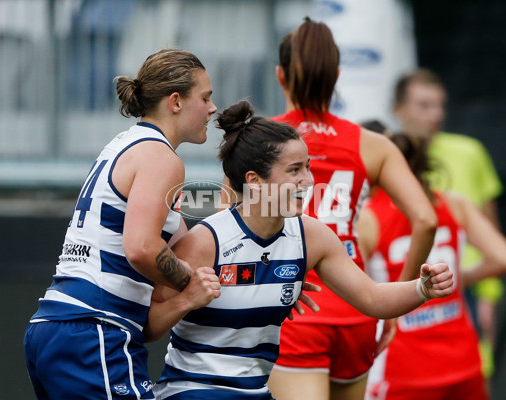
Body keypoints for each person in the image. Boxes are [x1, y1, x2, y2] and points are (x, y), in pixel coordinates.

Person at [146, 100, 454, 400]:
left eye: (308, 168)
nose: (308, 180)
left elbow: (371, 298)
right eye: (294, 170)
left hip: (255, 391)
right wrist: (188, 298)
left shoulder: (311, 236)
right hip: (192, 390)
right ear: (254, 181)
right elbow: (150, 326)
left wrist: (422, 288)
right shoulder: (207, 241)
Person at [23, 49, 218, 399]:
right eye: (205, 97)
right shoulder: (161, 157)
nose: (212, 108)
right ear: (176, 101)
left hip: (62, 327)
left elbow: (151, 318)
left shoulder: (125, 144)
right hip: (93, 330)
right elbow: (142, 248)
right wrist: (189, 281)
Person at [265, 18, 438, 400]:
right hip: (357, 310)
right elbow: (426, 220)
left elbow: (230, 222)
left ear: (280, 75)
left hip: (292, 309)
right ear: (337, 75)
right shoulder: (372, 144)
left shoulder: (261, 138)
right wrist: (398, 300)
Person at [358, 133, 506, 400]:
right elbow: (503, 258)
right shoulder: (453, 203)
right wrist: (457, 280)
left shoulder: (369, 217)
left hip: (402, 369)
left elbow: (356, 294)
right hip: (463, 361)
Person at [393, 68, 506, 378]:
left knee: (469, 375)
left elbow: (491, 228)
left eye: (440, 105)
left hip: (460, 289)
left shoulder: (469, 152)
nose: (436, 114)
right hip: (401, 290)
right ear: (398, 110)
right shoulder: (385, 155)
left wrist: (487, 296)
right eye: (425, 105)